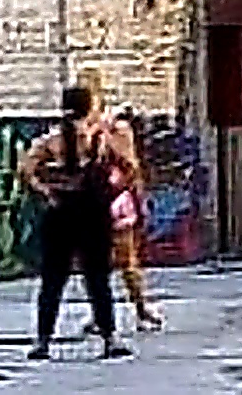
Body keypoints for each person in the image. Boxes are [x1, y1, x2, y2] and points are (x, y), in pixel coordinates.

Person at [19, 85, 135, 361]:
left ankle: (43, 341)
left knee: (53, 278)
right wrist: (111, 192)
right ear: (89, 106)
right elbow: (129, 167)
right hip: (94, 211)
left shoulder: (50, 139)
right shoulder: (101, 139)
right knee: (98, 277)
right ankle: (110, 338)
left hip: (60, 212)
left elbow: (26, 171)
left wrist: (47, 193)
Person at [75, 70, 166, 333]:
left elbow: (130, 166)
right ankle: (126, 311)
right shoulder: (95, 129)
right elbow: (130, 167)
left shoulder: (103, 129)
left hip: (101, 200)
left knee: (110, 261)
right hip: (102, 199)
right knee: (112, 261)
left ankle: (125, 310)